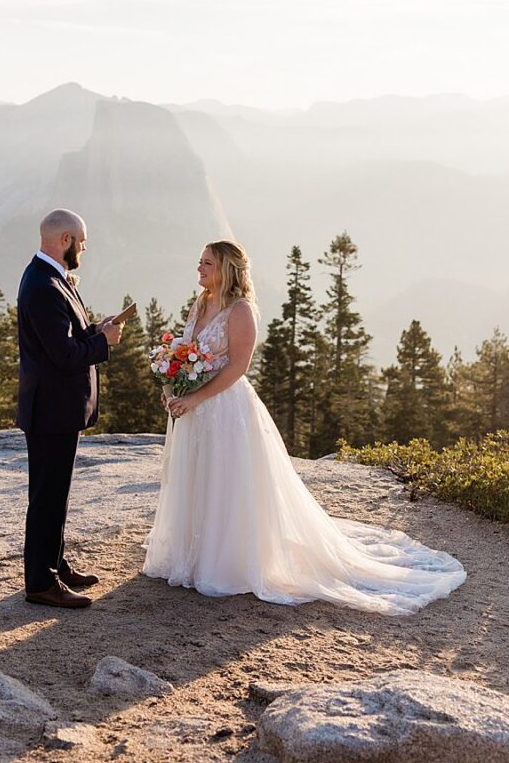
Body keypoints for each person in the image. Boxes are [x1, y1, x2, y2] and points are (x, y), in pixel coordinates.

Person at [143, 239, 466, 614]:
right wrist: (172, 389)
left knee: (226, 482)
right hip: (194, 409)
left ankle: (225, 562)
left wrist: (197, 397)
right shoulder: (201, 303)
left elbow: (237, 367)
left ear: (227, 269)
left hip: (225, 409)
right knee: (197, 478)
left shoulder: (240, 310)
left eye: (206, 263)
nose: (198, 269)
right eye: (199, 262)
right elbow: (183, 353)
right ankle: (192, 555)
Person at [16, 208, 123, 608]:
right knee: (47, 495)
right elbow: (63, 355)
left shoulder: (51, 278)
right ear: (65, 241)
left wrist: (96, 329)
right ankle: (41, 584)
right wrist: (104, 343)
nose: (85, 247)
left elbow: (64, 336)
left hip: (56, 409)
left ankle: (55, 565)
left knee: (55, 493)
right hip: (51, 410)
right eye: (82, 240)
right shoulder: (43, 285)